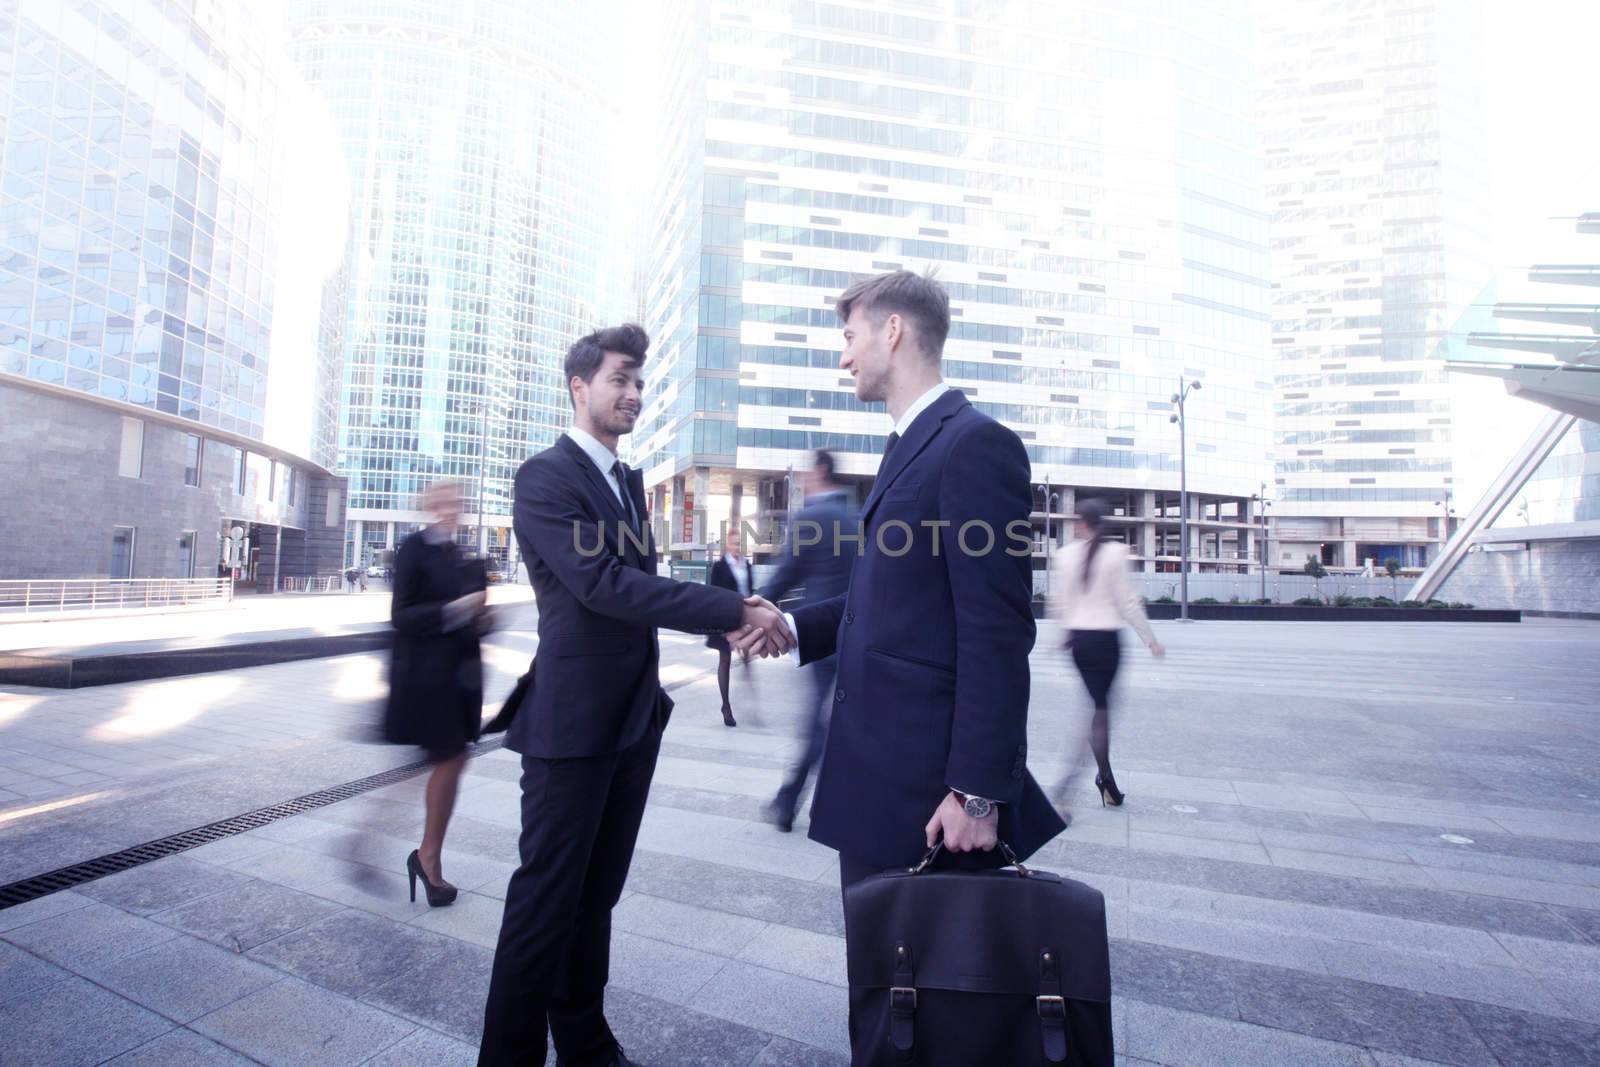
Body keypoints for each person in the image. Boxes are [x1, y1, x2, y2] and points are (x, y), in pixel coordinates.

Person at [734, 272, 1066, 1050]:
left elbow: (995, 628)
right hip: (883, 783)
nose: (841, 358)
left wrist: (979, 793)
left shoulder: (974, 445)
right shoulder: (909, 446)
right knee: (888, 1000)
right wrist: (789, 621)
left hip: (932, 802)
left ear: (891, 332)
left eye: (848, 337)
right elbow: (886, 599)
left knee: (923, 1012)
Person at [478, 324, 791, 1067]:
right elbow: (603, 585)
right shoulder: (546, 478)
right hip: (569, 725)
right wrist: (730, 611)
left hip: (629, 722)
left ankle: (586, 1044)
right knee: (543, 907)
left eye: (640, 383)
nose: (634, 395)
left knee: (596, 901)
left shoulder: (625, 479)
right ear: (579, 386)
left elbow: (635, 591)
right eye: (620, 379)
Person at [382, 479, 491, 907]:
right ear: (428, 503)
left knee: (444, 763)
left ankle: (415, 855)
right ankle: (427, 860)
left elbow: (477, 620)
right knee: (449, 761)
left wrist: (484, 617)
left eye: (456, 502)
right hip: (426, 680)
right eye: (443, 501)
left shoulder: (464, 555)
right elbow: (401, 615)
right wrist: (454, 611)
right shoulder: (414, 549)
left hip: (458, 680)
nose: (450, 508)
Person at [759, 449, 858, 832]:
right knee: (843, 718)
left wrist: (749, 615)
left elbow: (783, 577)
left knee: (820, 721)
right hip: (858, 631)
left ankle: (789, 799)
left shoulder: (812, 517)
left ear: (820, 471)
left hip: (822, 635)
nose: (801, 479)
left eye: (805, 472)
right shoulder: (858, 518)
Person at [1047, 497, 1164, 810]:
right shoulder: (1116, 553)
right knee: (1099, 715)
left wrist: (1063, 633)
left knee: (1098, 710)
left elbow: (1059, 603)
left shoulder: (1064, 555)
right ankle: (1066, 789)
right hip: (1106, 642)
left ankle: (1107, 781)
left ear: (1081, 522)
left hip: (1080, 644)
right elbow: (1127, 603)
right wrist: (1150, 639)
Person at [705, 528, 754, 726]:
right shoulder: (719, 566)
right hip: (724, 619)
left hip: (744, 618)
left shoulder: (747, 565)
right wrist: (720, 625)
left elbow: (750, 591)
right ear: (727, 544)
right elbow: (713, 593)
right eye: (734, 543)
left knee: (748, 656)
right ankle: (726, 706)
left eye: (739, 543)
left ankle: (749, 697)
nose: (737, 547)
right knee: (725, 660)